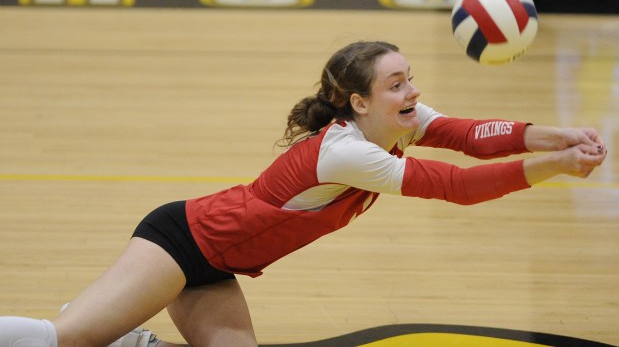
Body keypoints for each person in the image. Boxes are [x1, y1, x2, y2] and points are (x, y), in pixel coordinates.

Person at [0, 41, 607, 347]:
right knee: (64, 342)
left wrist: (563, 135)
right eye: (398, 83)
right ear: (360, 101)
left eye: (410, 78)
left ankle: (131, 340)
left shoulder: (397, 119)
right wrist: (556, 164)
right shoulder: (347, 151)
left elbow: (470, 136)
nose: (413, 92)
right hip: (181, 242)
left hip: (218, 267)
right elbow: (455, 185)